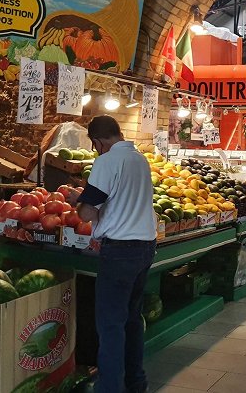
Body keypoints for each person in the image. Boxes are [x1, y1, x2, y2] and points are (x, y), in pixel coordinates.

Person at [66, 116, 157, 393]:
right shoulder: (139, 160)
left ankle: (108, 388)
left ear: (97, 141)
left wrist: (76, 200)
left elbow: (88, 213)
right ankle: (136, 384)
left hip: (119, 251)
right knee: (131, 320)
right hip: (145, 246)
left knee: (110, 326)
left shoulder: (106, 161)